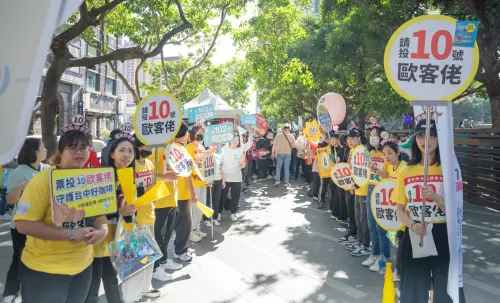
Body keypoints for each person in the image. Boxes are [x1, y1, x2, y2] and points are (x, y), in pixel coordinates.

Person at [14, 130, 109, 303]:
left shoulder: (91, 178)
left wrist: (103, 230)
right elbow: (23, 224)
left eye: (83, 147)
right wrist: (72, 234)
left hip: (83, 268)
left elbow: (99, 216)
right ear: (60, 151)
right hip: (45, 272)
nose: (78, 152)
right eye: (72, 147)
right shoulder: (42, 180)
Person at [394, 119, 458, 303]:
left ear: (439, 140)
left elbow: (456, 211)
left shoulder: (448, 169)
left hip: (442, 234)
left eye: (431, 135)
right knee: (413, 288)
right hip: (415, 234)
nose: (425, 140)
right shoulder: (406, 171)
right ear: (415, 139)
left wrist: (437, 199)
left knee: (444, 287)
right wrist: (413, 225)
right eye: (421, 135)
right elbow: (399, 210)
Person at [86, 135, 137, 303]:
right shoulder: (101, 176)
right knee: (93, 283)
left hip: (118, 237)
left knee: (112, 279)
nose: (127, 155)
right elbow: (93, 206)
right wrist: (119, 210)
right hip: (100, 237)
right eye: (121, 150)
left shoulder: (130, 177)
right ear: (112, 154)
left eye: (130, 151)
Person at [2, 138, 49, 303]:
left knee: (41, 259)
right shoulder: (19, 172)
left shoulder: (48, 169)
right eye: (42, 147)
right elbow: (9, 200)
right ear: (35, 152)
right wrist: (20, 187)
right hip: (21, 225)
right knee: (19, 259)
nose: (45, 150)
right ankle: (10, 293)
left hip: (43, 224)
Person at [150, 145, 184, 282]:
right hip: (160, 200)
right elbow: (148, 172)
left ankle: (164, 260)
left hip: (172, 199)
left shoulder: (173, 149)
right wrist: (164, 176)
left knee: (168, 234)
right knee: (158, 235)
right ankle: (155, 267)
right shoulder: (155, 149)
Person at [363, 126, 392, 270]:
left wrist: (377, 171)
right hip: (370, 188)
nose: (373, 137)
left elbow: (390, 174)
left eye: (376, 134)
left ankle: (384, 258)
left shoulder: (386, 153)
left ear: (382, 136)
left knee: (381, 228)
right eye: (371, 134)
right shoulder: (370, 152)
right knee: (371, 226)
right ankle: (374, 254)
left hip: (382, 191)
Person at [173, 123, 198, 262]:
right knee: (185, 223)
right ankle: (181, 251)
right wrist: (192, 193)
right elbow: (187, 173)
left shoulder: (171, 148)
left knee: (179, 222)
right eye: (187, 133)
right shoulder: (181, 150)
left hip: (174, 192)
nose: (188, 135)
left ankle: (179, 249)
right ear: (183, 135)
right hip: (183, 192)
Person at [220, 131, 253, 222]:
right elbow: (220, 164)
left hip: (236, 178)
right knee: (222, 196)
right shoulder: (224, 150)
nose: (236, 141)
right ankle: (219, 212)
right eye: (234, 140)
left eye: (238, 140)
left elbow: (242, 166)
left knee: (235, 196)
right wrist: (222, 178)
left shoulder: (240, 150)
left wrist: (243, 156)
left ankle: (233, 213)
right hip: (225, 178)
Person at [186, 126, 208, 242]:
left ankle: (197, 228)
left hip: (203, 181)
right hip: (194, 181)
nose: (201, 133)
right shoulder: (188, 147)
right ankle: (191, 231)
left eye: (202, 132)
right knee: (194, 207)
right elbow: (189, 164)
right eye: (199, 131)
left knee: (201, 206)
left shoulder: (202, 146)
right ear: (193, 133)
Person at [207, 145, 224, 226]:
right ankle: (206, 219)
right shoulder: (206, 155)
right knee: (208, 200)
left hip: (219, 180)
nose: (215, 147)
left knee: (216, 200)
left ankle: (215, 218)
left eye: (216, 145)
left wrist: (223, 180)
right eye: (213, 145)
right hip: (210, 180)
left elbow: (221, 168)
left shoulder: (218, 155)